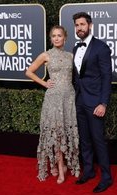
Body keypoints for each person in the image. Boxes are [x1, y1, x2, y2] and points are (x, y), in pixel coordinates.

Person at [25, 25, 80, 184]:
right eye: (54, 36)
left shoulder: (71, 56)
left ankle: (61, 166)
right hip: (53, 98)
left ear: (65, 38)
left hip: (69, 97)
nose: (56, 38)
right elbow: (29, 71)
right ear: (51, 38)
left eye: (59, 35)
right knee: (57, 133)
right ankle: (60, 169)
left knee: (66, 131)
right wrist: (44, 83)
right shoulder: (46, 55)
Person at [72, 12, 113, 193]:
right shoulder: (74, 48)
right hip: (79, 100)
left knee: (98, 141)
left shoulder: (101, 48)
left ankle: (106, 177)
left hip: (95, 102)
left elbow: (106, 78)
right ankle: (88, 171)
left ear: (90, 25)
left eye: (82, 24)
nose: (79, 28)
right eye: (77, 25)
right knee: (85, 141)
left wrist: (103, 103)